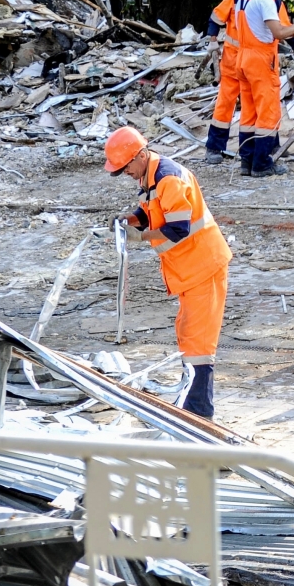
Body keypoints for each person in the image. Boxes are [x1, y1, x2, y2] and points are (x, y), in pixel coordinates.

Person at [104, 126, 232, 419]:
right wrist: (130, 220)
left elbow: (178, 228)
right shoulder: (150, 177)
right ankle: (192, 405)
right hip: (190, 270)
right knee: (188, 336)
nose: (125, 173)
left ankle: (199, 412)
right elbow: (150, 212)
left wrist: (141, 236)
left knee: (199, 343)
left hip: (203, 267)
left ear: (139, 155)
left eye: (125, 167)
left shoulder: (168, 178)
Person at [205, 0, 294, 165]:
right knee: (243, 103)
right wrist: (212, 40)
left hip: (244, 58)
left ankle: (263, 150)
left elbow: (285, 29)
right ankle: (217, 147)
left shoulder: (266, 1)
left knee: (258, 106)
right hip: (244, 59)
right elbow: (217, 18)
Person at [234, 0, 294, 177]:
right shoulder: (265, 1)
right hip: (260, 61)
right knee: (267, 113)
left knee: (249, 114)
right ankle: (263, 164)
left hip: (243, 59)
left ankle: (246, 163)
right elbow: (278, 32)